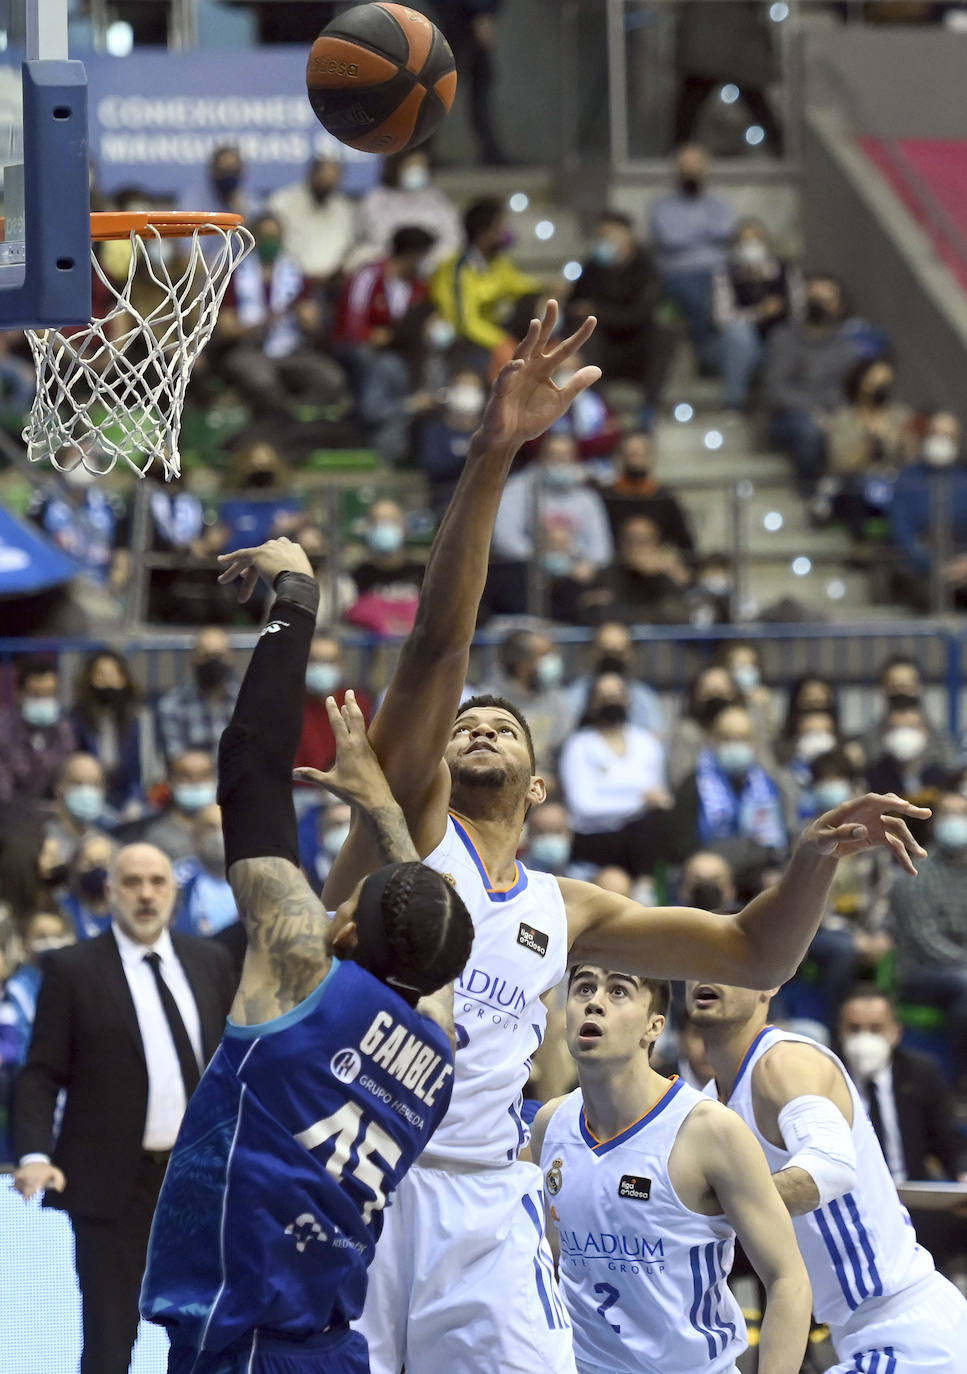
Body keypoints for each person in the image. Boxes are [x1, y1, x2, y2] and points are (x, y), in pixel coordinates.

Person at [321, 299, 928, 1374]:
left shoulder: (568, 909)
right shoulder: (414, 826)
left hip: (486, 1199)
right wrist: (494, 453)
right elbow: (436, 648)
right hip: (368, 1174)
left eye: (500, 724)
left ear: (540, 780)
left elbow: (755, 958)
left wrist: (807, 863)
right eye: (467, 723)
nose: (477, 723)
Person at [141, 536, 473, 1373]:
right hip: (326, 1343)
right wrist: (383, 811)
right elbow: (428, 941)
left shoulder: (300, 981)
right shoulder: (435, 1049)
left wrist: (297, 599)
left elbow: (250, 770)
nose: (331, 909)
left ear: (348, 935)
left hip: (245, 1344)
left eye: (346, 906)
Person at [11, 842, 236, 1374]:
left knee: (212, 1333)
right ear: (110, 892)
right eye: (132, 882)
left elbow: (234, 1062)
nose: (145, 894)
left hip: (201, 1181)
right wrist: (34, 1153)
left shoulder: (210, 961)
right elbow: (41, 1072)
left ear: (174, 893)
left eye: (157, 882)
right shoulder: (73, 970)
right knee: (111, 1342)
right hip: (114, 1185)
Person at [529, 965, 811, 1374]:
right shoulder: (550, 1125)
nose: (595, 1002)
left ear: (653, 1027)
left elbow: (789, 1279)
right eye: (584, 987)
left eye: (619, 991)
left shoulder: (709, 1130)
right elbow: (553, 1263)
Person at [689, 969, 967, 1371]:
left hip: (908, 1333)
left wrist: (726, 1201)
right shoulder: (709, 1103)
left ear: (770, 981)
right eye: (693, 961)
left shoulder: (785, 1063)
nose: (704, 971)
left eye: (726, 961)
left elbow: (831, 1167)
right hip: (858, 1335)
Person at [837, 983, 967, 1184]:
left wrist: (962, 1173)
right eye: (854, 1029)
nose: (864, 1037)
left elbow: (949, 1142)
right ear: (840, 1032)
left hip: (910, 1196)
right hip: (849, 1199)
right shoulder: (826, 1077)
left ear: (896, 1032)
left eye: (876, 1028)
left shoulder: (920, 1072)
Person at [333, 226, 437, 464]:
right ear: (411, 255)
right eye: (423, 256)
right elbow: (351, 322)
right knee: (373, 363)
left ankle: (407, 415)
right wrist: (372, 335)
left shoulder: (419, 288)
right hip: (356, 346)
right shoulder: (369, 275)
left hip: (398, 353)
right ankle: (369, 418)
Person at [888, 787, 967, 1092]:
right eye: (949, 814)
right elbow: (926, 940)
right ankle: (960, 1082)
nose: (956, 821)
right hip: (920, 973)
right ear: (935, 823)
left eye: (962, 814)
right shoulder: (915, 872)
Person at [490, 431, 614, 618]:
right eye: (553, 455)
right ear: (541, 457)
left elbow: (601, 549)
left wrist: (581, 564)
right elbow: (504, 539)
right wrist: (541, 558)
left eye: (565, 456)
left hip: (575, 573)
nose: (559, 462)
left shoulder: (587, 497)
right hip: (527, 571)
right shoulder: (517, 489)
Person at [558, 672, 671, 878]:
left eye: (617, 695)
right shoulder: (579, 745)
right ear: (591, 704)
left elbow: (659, 797)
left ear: (628, 700)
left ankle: (649, 886)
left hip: (641, 837)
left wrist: (643, 803)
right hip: (594, 838)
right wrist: (639, 801)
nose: (611, 701)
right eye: (604, 696)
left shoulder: (646, 742)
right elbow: (583, 805)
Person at [565, 210, 672, 426]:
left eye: (610, 236)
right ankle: (604, 412)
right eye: (601, 236)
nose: (605, 242)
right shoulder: (592, 267)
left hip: (636, 347)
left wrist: (599, 312)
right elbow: (574, 308)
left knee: (664, 333)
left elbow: (641, 314)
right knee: (582, 331)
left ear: (628, 238)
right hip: (603, 349)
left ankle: (648, 412)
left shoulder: (647, 268)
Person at [762, 273, 861, 492]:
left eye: (826, 301)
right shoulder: (784, 338)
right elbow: (775, 390)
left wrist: (835, 414)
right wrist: (813, 412)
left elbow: (849, 390)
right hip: (789, 418)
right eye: (814, 299)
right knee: (808, 431)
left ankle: (845, 497)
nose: (820, 306)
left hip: (834, 413)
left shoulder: (846, 347)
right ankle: (809, 490)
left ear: (839, 307)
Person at [430, 196, 540, 376]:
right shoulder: (457, 270)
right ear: (484, 234)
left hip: (494, 332)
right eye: (500, 227)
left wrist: (549, 293)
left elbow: (520, 285)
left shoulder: (497, 262)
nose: (506, 232)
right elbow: (466, 323)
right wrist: (501, 341)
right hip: (464, 342)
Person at [649, 145, 734, 371]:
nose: (691, 172)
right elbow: (669, 239)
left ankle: (719, 346)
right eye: (686, 166)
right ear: (677, 170)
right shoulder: (662, 205)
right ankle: (704, 348)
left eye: (696, 166)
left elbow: (724, 232)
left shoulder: (717, 202)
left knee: (723, 288)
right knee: (694, 293)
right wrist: (704, 233)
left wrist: (688, 233)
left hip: (716, 272)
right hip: (677, 274)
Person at [669, 704, 789, 862]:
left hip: (759, 867)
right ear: (713, 741)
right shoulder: (694, 785)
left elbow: (779, 837)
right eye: (727, 738)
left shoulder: (768, 785)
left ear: (753, 743)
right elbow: (682, 845)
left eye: (742, 738)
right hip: (710, 865)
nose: (735, 745)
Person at [712, 219, 801, 411]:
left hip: (779, 333)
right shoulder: (726, 273)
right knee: (739, 337)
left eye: (756, 240)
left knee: (784, 338)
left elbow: (799, 313)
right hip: (743, 339)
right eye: (745, 241)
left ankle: (781, 405)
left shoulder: (786, 270)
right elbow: (723, 318)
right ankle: (734, 402)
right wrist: (759, 312)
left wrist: (778, 312)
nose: (751, 246)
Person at [69, 648, 159, 817]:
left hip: (132, 799)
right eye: (100, 675)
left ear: (124, 679)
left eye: (114, 675)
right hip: (91, 797)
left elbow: (145, 770)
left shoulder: (140, 717)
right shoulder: (77, 719)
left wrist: (135, 803)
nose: (108, 681)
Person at [355, 147, 462, 272]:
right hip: (387, 264)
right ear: (397, 166)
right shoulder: (377, 199)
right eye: (412, 165)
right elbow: (371, 236)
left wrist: (430, 260)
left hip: (429, 265)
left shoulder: (436, 199)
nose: (417, 170)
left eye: (421, 166)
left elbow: (452, 237)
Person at [563, 621, 665, 740]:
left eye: (619, 653)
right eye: (606, 652)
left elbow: (658, 745)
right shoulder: (573, 697)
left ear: (631, 654)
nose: (612, 659)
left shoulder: (645, 698)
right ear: (592, 653)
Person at [0, 653, 77, 806]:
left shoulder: (64, 729)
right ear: (19, 694)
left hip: (55, 814)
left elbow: (66, 779)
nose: (43, 700)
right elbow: (4, 794)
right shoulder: (4, 731)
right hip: (11, 816)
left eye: (49, 694)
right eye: (36, 694)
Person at [600, 430, 694, 554]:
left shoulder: (665, 499)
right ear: (621, 457)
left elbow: (686, 546)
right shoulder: (606, 498)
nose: (636, 460)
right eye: (632, 454)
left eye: (642, 454)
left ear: (650, 457)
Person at [267, 154, 356, 286]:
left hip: (331, 283)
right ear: (312, 174)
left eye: (332, 181)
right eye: (323, 179)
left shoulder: (344, 209)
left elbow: (348, 248)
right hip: (289, 281)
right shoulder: (283, 202)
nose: (327, 184)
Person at [156, 627, 239, 766]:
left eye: (219, 656)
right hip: (194, 782)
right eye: (206, 656)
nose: (213, 662)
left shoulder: (247, 701)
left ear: (231, 659)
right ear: (193, 659)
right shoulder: (173, 704)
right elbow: (175, 758)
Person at [295, 634, 374, 776]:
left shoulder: (357, 704)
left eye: (329, 662)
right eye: (314, 661)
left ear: (341, 666)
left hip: (348, 789)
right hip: (301, 791)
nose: (321, 668)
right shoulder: (288, 708)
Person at [132, 749, 218, 864]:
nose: (195, 782)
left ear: (215, 779)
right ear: (171, 782)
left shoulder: (234, 829)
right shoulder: (157, 837)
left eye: (203, 775)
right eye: (186, 776)